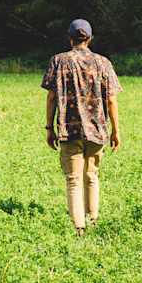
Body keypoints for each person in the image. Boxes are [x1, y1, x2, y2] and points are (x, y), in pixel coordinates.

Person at [41, 18, 122, 236]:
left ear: (70, 38)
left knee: (73, 179)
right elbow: (112, 100)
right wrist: (116, 130)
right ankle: (93, 219)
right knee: (92, 175)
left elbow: (51, 97)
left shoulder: (58, 61)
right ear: (90, 38)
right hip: (97, 129)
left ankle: (79, 228)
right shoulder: (103, 63)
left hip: (69, 129)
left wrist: (49, 128)